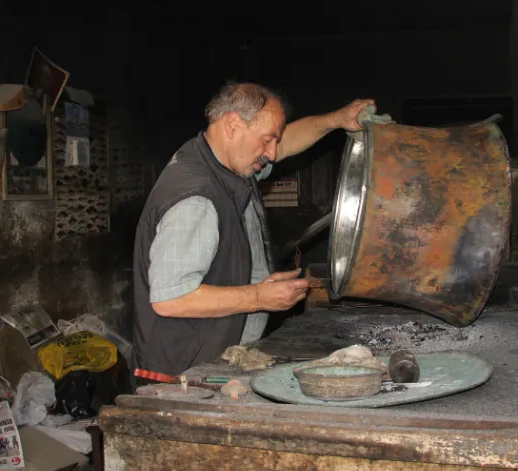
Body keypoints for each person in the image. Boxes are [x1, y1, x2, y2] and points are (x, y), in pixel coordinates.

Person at [131, 82, 374, 384]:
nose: (272, 153)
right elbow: (171, 299)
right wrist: (259, 296)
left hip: (213, 360)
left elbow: (286, 145)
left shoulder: (225, 160)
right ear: (233, 125)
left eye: (274, 140)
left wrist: (336, 119)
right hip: (180, 376)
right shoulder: (195, 200)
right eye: (266, 140)